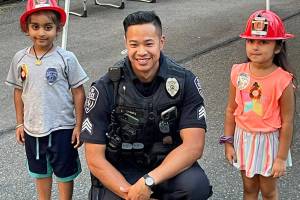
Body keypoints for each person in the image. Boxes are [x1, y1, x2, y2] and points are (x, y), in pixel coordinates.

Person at [80, 11, 212, 200]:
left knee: (195, 187)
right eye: (134, 44)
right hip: (122, 168)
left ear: (161, 41)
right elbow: (95, 159)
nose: (142, 52)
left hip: (167, 166)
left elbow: (193, 146)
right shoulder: (106, 87)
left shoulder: (184, 81)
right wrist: (132, 195)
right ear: (126, 43)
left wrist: (148, 181)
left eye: (149, 43)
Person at [5, 0, 89, 199]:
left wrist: (79, 125)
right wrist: (19, 123)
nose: (41, 33)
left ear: (58, 29)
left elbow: (79, 92)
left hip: (63, 128)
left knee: (65, 172)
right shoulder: (20, 58)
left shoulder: (66, 58)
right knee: (40, 171)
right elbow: (18, 91)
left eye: (48, 27)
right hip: (32, 129)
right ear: (26, 28)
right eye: (35, 27)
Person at [221, 10, 295, 200]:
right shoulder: (238, 72)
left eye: (263, 42)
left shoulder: (283, 80)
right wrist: (228, 142)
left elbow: (287, 122)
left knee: (269, 192)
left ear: (277, 47)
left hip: (269, 143)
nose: (255, 47)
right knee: (249, 189)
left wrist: (281, 157)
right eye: (251, 41)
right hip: (243, 140)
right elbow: (231, 110)